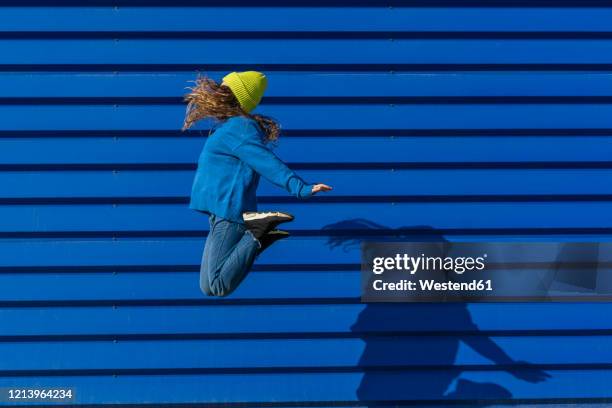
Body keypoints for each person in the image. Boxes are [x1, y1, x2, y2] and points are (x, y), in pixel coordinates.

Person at [181, 71, 332, 297]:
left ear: (236, 96)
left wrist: (300, 188)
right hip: (218, 212)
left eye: (225, 88)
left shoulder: (240, 128)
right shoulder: (233, 127)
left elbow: (266, 162)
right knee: (208, 287)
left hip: (229, 209)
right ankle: (260, 237)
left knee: (219, 286)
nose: (219, 91)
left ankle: (257, 234)